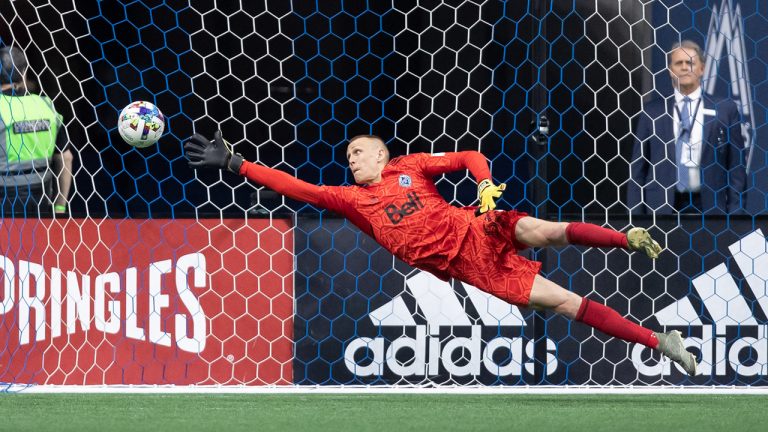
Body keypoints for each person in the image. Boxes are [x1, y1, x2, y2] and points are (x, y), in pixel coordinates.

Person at [185, 132, 698, 376]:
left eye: (358, 152)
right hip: (470, 268)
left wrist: (486, 184)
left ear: (383, 154)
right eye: (347, 158)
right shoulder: (353, 200)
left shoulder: (409, 165)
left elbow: (471, 156)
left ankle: (623, 237)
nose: (351, 160)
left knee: (543, 229)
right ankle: (661, 340)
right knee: (564, 302)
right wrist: (235, 162)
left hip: (476, 227)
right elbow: (296, 187)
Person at [627, 40, 746, 215]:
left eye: (690, 62)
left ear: (702, 69)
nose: (684, 67)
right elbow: (638, 169)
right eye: (678, 63)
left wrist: (736, 216)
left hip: (709, 207)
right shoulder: (652, 111)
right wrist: (635, 218)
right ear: (670, 70)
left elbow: (736, 168)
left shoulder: (724, 109)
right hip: (662, 207)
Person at [0, 46, 73, 216]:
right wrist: (60, 207)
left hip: (4, 197)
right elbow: (65, 158)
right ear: (24, 71)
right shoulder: (46, 105)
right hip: (40, 196)